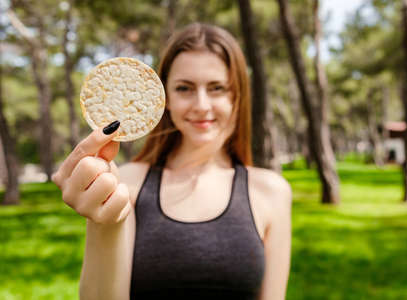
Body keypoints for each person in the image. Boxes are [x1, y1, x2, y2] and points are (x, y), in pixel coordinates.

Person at [52, 23, 292, 300]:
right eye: (184, 88)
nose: (201, 105)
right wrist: (104, 223)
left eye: (217, 88)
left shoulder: (271, 191)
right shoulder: (124, 183)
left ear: (236, 96)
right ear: (164, 98)